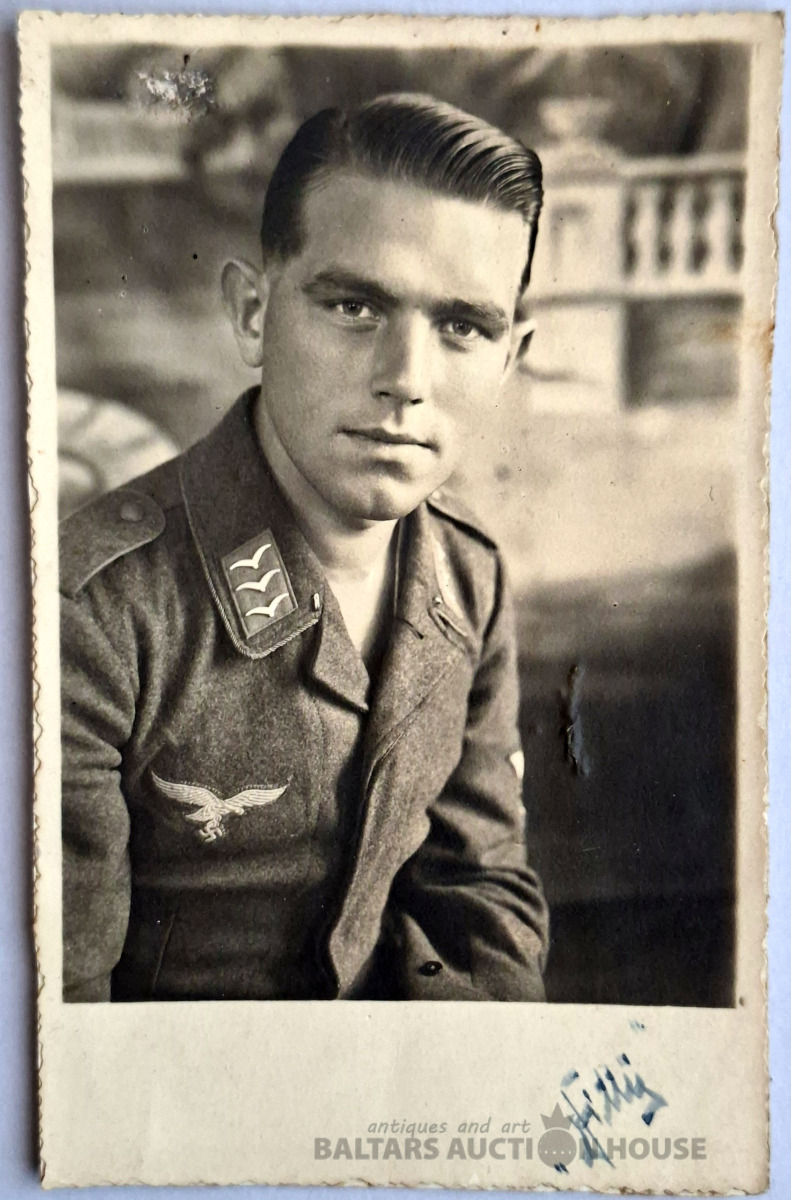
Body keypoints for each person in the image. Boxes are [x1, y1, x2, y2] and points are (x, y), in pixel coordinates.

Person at [59, 93, 549, 1003]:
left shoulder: (466, 574)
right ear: (253, 314)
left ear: (508, 357)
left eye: (462, 327)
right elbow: (58, 1023)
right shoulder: (92, 615)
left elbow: (476, 892)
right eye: (355, 306)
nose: (406, 380)